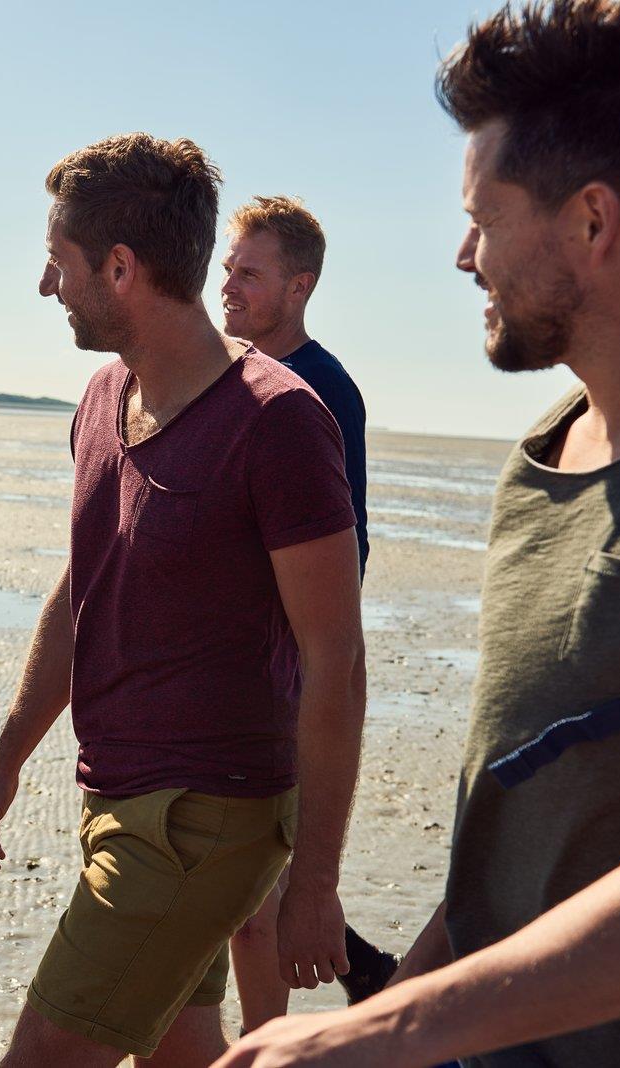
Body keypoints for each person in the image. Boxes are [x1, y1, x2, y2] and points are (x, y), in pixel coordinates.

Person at [218, 2, 620, 1064]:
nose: (465, 256)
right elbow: (508, 834)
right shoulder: (539, 459)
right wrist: (393, 1011)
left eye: (483, 216)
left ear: (591, 222)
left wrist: (386, 1028)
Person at [0, 132, 367, 1067]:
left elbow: (337, 659)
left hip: (204, 821)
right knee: (178, 1051)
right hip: (115, 795)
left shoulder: (281, 422)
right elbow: (82, 590)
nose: (48, 285)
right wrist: (6, 762)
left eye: (60, 263)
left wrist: (316, 881)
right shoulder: (103, 397)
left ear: (123, 267)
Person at [219, 197, 397, 1027]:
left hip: (285, 677)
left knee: (258, 903)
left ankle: (273, 1041)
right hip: (226, 676)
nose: (228, 284)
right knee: (244, 895)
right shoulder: (220, 372)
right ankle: (361, 970)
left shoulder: (323, 391)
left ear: (301, 285)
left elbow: (345, 555)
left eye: (248, 273)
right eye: (227, 267)